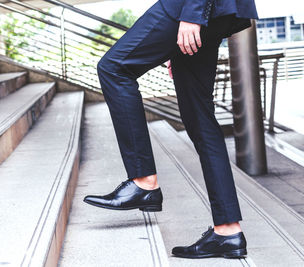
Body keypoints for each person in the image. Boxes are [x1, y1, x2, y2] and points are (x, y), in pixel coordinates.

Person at [83, 0, 258, 259]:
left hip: (192, 6)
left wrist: (191, 15)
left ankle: (143, 181)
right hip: (219, 10)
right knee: (200, 116)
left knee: (114, 68)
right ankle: (227, 231)